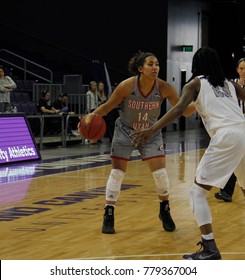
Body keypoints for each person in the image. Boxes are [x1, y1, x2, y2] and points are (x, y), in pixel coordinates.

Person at [131, 47, 245, 260]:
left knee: (196, 193)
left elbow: (178, 110)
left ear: (196, 65)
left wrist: (151, 129)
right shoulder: (231, 84)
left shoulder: (194, 83)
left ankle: (210, 248)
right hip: (244, 131)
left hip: (226, 136)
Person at [89, 51, 195, 234]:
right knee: (117, 173)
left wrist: (201, 104)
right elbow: (107, 107)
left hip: (150, 132)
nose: (155, 68)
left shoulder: (164, 87)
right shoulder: (126, 86)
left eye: (157, 64)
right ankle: (109, 212)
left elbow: (183, 111)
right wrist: (90, 117)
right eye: (150, 64)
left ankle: (164, 209)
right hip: (125, 131)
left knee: (160, 173)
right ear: (140, 69)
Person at [214, 58, 245, 202]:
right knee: (234, 158)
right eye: (241, 68)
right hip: (234, 126)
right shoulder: (230, 85)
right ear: (237, 70)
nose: (244, 71)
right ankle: (226, 191)